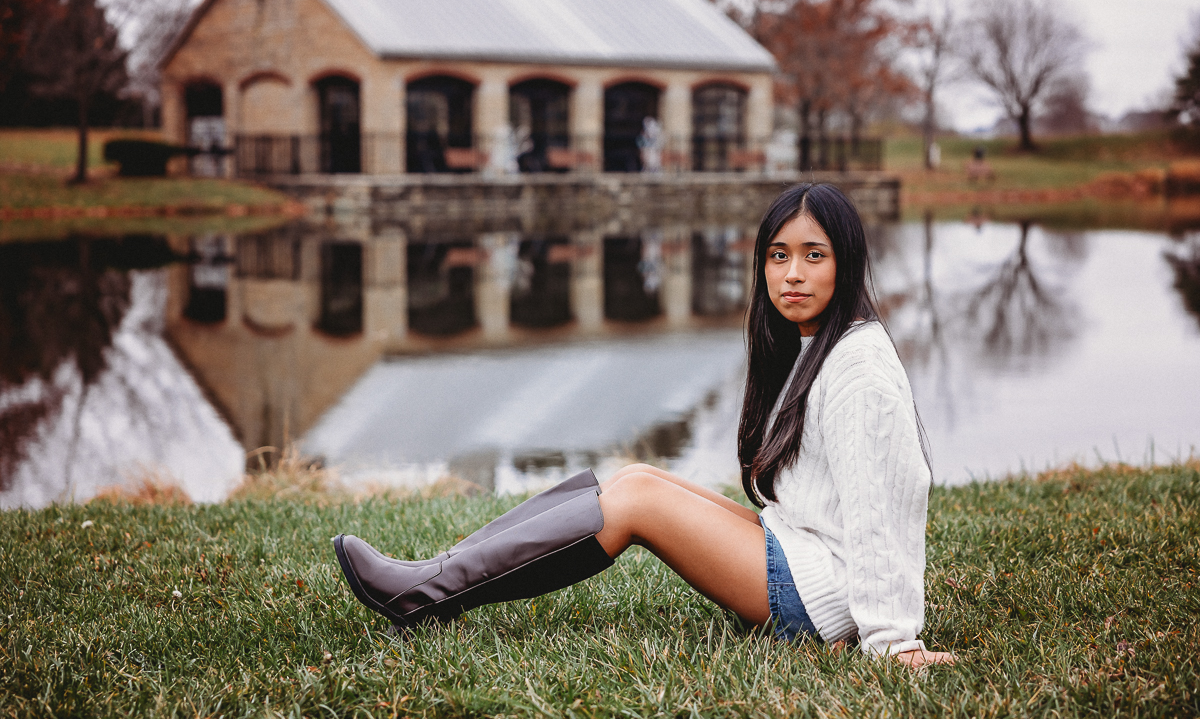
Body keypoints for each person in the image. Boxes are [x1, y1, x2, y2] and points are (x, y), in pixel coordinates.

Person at [333, 183, 954, 667]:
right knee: (635, 475)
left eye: (814, 256)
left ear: (847, 264)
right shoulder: (821, 345)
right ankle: (436, 577)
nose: (791, 274)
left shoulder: (859, 372)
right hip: (805, 556)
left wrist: (889, 641)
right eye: (778, 255)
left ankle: (427, 591)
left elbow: (881, 511)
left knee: (637, 499)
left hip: (818, 595)